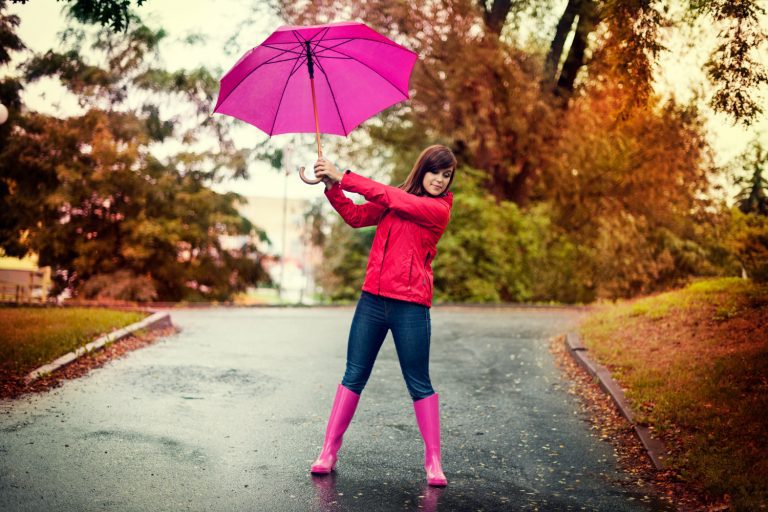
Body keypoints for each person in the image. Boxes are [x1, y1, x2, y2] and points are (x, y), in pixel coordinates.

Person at [310, 144, 457, 487]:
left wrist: (342, 175)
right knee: (353, 374)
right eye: (435, 172)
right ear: (422, 169)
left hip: (411, 305)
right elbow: (357, 216)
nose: (439, 180)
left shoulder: (437, 209)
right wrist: (332, 187)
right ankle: (328, 452)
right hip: (372, 301)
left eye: (446, 175)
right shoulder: (396, 198)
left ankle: (433, 461)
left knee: (418, 381)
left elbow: (393, 198)